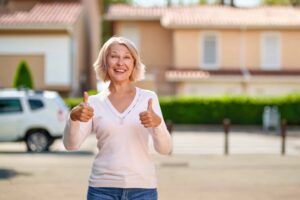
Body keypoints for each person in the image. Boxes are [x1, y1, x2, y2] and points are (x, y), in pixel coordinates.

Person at [63, 36, 172, 200]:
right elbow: (71, 145)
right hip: (101, 190)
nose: (120, 63)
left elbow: (165, 149)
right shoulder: (93, 102)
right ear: (105, 62)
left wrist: (157, 125)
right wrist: (73, 118)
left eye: (127, 57)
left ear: (134, 63)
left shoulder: (148, 99)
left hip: (142, 190)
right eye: (114, 56)